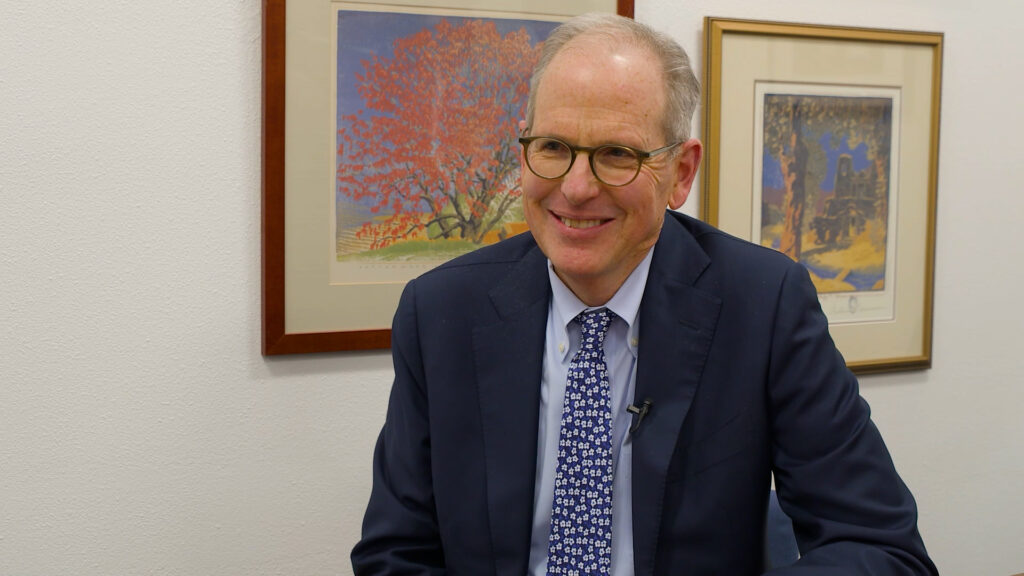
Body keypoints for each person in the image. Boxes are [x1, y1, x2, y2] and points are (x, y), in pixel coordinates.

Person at [351, 13, 937, 576]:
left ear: (681, 173)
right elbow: (394, 555)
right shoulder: (441, 311)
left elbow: (881, 549)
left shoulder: (764, 305)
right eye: (553, 147)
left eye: (617, 154)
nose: (576, 189)